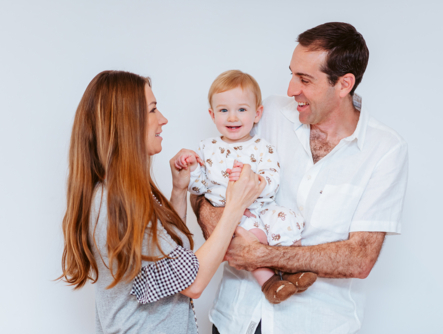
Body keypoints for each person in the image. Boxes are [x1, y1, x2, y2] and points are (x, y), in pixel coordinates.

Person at [192, 22, 409, 334]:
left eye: (304, 79)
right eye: (292, 73)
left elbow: (360, 258)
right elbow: (207, 182)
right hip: (235, 320)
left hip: (315, 324)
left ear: (344, 84)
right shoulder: (266, 116)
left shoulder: (385, 149)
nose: (292, 88)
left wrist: (262, 254)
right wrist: (217, 222)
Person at [59, 70, 265, 334]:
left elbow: (165, 262)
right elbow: (192, 282)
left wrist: (178, 192)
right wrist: (235, 206)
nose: (163, 119)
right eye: (153, 110)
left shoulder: (118, 192)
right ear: (127, 122)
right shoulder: (116, 201)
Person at [174, 70, 317, 305]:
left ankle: (295, 270)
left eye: (241, 109)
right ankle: (270, 283)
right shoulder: (207, 149)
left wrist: (254, 181)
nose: (233, 118)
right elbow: (199, 189)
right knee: (248, 241)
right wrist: (191, 168)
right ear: (212, 115)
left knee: (286, 219)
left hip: (261, 207)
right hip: (232, 217)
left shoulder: (262, 147)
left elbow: (272, 180)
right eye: (223, 110)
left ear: (257, 113)